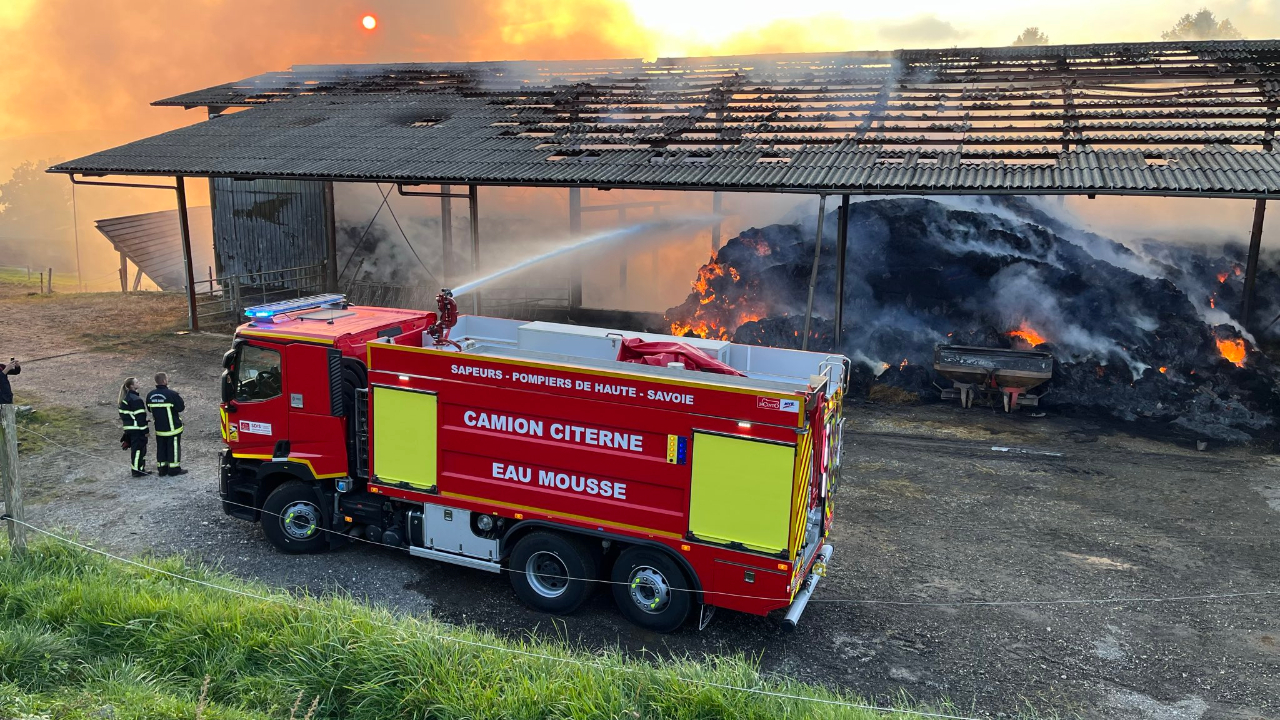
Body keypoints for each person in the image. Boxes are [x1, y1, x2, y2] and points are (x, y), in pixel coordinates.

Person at [146, 372, 187, 476]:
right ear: (164, 381)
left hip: (159, 428)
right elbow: (181, 407)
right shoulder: (172, 394)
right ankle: (174, 469)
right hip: (172, 428)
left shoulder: (150, 395)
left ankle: (162, 469)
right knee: (173, 448)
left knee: (161, 448)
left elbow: (150, 409)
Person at [117, 377, 148, 477]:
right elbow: (140, 417)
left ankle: (140, 469)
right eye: (137, 382)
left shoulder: (126, 398)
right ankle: (137, 470)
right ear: (131, 386)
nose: (139, 383)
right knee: (139, 449)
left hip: (129, 428)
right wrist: (145, 430)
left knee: (137, 449)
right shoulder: (136, 399)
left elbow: (127, 415)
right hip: (137, 429)